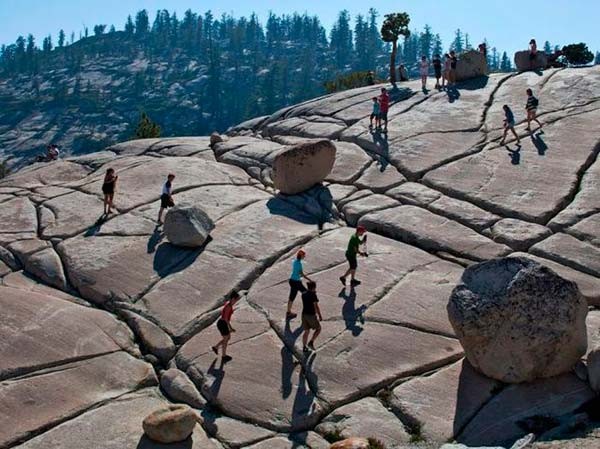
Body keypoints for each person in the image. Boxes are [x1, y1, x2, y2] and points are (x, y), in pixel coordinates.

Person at [211, 290, 242, 362]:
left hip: (222, 323)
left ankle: (216, 347)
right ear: (233, 299)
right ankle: (223, 356)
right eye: (236, 300)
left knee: (227, 338)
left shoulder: (228, 304)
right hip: (222, 324)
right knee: (226, 339)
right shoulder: (228, 306)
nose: (236, 301)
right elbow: (225, 319)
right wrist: (230, 328)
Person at [287, 249, 313, 320]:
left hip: (292, 281)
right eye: (304, 255)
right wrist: (309, 280)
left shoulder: (295, 261)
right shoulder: (299, 264)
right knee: (307, 294)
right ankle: (307, 312)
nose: (304, 256)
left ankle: (288, 312)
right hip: (296, 282)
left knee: (291, 297)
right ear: (301, 256)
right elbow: (301, 274)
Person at [301, 281, 323, 353]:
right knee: (318, 329)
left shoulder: (303, 294)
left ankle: (304, 347)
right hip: (311, 315)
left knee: (306, 331)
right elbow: (316, 306)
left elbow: (308, 295)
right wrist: (319, 315)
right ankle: (311, 342)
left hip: (304, 314)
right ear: (314, 287)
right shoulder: (313, 295)